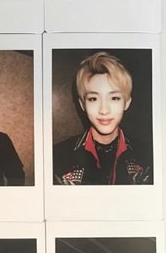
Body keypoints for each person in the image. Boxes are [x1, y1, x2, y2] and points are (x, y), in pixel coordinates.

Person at [53, 52, 152, 185]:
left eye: (114, 98)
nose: (104, 110)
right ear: (82, 104)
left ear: (127, 102)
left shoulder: (149, 155)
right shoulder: (56, 156)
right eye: (93, 99)